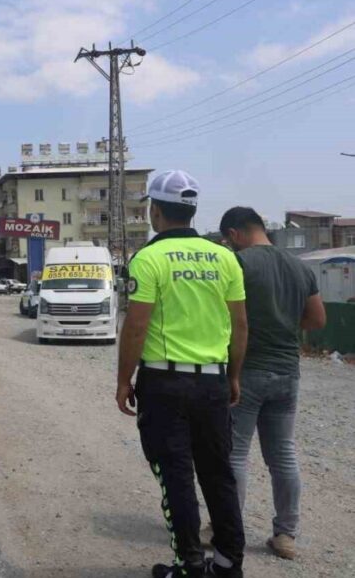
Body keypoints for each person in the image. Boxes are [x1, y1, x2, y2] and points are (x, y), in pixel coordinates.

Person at [116, 170, 248, 578]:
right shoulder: (225, 256)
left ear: (155, 210)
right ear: (192, 210)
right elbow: (240, 325)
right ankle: (228, 565)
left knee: (176, 474)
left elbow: (136, 325)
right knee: (218, 473)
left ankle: (189, 565)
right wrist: (233, 376)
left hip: (165, 384)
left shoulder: (149, 258)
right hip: (213, 380)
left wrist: (124, 380)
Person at [219, 206, 327, 560]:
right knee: (282, 454)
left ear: (235, 234)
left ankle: (227, 530)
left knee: (235, 453)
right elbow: (316, 320)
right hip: (287, 373)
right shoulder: (298, 266)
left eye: (228, 241)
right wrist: (284, 323)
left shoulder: (240, 264)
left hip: (246, 372)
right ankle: (286, 535)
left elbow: (226, 317)